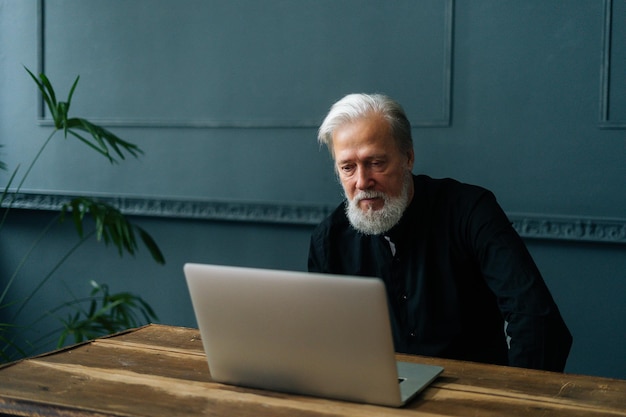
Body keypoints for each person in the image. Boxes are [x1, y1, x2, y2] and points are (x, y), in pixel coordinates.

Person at [308, 93, 572, 372]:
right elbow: (326, 343)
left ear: (407, 157)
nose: (362, 182)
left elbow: (537, 320)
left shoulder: (471, 211)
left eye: (376, 163)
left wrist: (515, 402)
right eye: (348, 167)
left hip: (472, 397)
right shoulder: (329, 238)